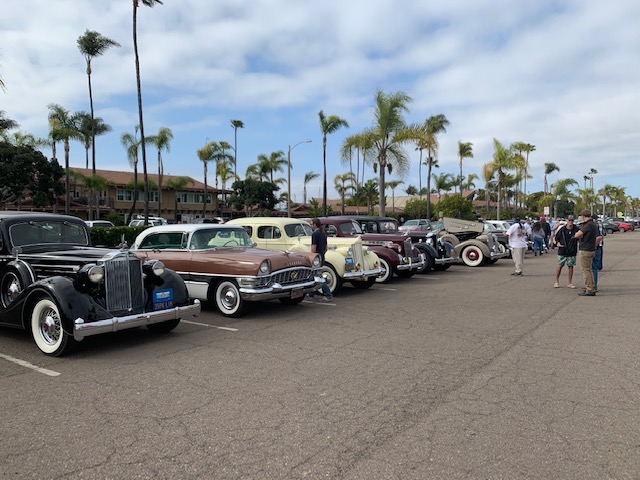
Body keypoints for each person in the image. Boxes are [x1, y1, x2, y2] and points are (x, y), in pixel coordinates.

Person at [574, 209, 599, 296]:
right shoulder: (594, 225)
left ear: (583, 216)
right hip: (591, 248)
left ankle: (589, 289)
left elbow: (577, 235)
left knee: (585, 270)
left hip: (585, 249)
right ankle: (591, 286)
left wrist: (578, 234)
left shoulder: (588, 225)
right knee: (589, 269)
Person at [308, 218, 333, 301]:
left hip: (316, 259)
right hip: (322, 257)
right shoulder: (323, 234)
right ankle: (311, 293)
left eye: (311, 224)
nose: (311, 226)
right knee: (313, 276)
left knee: (318, 277)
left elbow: (313, 248)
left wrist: (311, 258)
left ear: (315, 224)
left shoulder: (315, 234)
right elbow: (326, 248)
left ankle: (328, 294)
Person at [553, 215, 578, 288]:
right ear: (567, 221)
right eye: (569, 220)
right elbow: (556, 238)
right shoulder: (562, 229)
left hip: (572, 250)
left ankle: (570, 283)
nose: (570, 222)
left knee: (570, 266)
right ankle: (556, 281)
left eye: (572, 221)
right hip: (562, 250)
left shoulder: (576, 229)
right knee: (560, 265)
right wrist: (557, 243)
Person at [591, 221, 605, 292]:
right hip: (598, 247)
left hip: (594, 248)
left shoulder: (593, 227)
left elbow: (599, 237)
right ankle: (591, 285)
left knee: (593, 268)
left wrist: (594, 246)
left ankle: (593, 286)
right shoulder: (598, 226)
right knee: (593, 267)